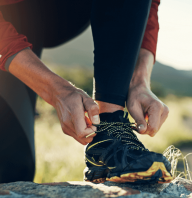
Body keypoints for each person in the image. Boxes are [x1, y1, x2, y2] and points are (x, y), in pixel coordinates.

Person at [0, 0, 172, 184]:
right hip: (10, 14)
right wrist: (55, 90)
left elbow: (149, 6)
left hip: (69, 12)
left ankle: (108, 135)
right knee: (12, 169)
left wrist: (140, 80)